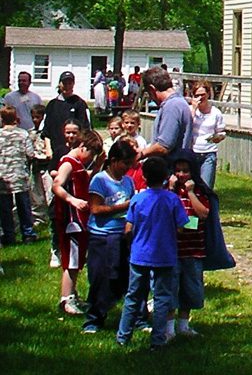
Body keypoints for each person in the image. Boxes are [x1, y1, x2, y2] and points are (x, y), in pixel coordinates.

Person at [116, 155, 187, 348]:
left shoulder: (137, 199)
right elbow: (181, 227)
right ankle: (158, 340)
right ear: (166, 177)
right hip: (165, 254)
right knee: (162, 297)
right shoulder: (172, 199)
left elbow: (128, 228)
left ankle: (123, 337)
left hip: (140, 254)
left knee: (133, 296)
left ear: (144, 177)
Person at [82, 139, 136, 334]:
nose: (127, 168)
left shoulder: (128, 181)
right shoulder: (100, 180)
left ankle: (128, 314)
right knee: (100, 277)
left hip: (121, 235)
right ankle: (93, 319)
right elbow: (95, 208)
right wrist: (122, 207)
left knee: (121, 277)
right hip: (102, 236)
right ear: (113, 160)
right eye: (125, 163)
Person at [53, 128, 104, 315]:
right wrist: (72, 200)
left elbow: (84, 180)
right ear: (82, 147)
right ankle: (66, 299)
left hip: (81, 219)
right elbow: (57, 185)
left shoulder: (79, 165)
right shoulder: (68, 163)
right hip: (71, 219)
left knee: (78, 258)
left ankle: (73, 294)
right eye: (91, 153)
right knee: (72, 260)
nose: (90, 157)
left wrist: (97, 166)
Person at [169, 156, 211, 338]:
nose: (181, 175)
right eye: (178, 170)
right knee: (170, 288)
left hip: (193, 249)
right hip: (172, 249)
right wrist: (171, 189)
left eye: (185, 171)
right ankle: (168, 328)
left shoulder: (200, 191)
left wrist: (191, 193)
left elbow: (203, 214)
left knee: (190, 288)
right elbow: (165, 208)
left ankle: (183, 325)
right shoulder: (169, 190)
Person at [0, 105, 39, 245]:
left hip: (3, 177)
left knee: (5, 209)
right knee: (24, 207)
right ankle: (28, 233)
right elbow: (30, 153)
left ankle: (9, 235)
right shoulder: (23, 134)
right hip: (20, 176)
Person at [139, 68, 193, 165]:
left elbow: (164, 146)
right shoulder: (178, 102)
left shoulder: (172, 106)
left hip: (170, 169)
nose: (151, 97)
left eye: (148, 93)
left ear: (152, 89)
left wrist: (141, 154)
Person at [45, 71, 92, 164]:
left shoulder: (80, 104)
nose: (67, 86)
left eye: (70, 83)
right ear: (59, 84)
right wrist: (48, 149)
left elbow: (86, 130)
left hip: (74, 152)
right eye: (64, 83)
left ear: (73, 84)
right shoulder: (52, 105)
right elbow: (46, 131)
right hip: (55, 151)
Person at [190, 83, 225, 188]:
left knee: (206, 187)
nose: (200, 98)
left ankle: (209, 204)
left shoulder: (216, 113)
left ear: (208, 94)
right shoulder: (190, 110)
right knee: (191, 187)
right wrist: (193, 109)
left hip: (208, 153)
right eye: (197, 95)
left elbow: (221, 132)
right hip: (193, 152)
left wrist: (218, 138)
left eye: (203, 95)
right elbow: (186, 126)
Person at [29, 104, 53, 228]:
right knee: (36, 193)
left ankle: (51, 216)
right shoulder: (31, 133)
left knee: (49, 191)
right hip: (36, 166)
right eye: (33, 117)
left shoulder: (49, 133)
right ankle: (39, 218)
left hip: (47, 166)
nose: (35, 120)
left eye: (37, 117)